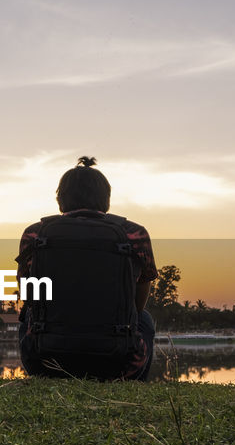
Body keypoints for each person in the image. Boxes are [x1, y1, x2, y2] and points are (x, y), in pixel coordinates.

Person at [16, 157, 158, 380]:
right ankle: (133, 384)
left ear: (60, 198)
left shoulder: (35, 234)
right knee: (145, 319)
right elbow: (138, 305)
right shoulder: (134, 234)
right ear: (106, 198)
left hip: (46, 363)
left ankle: (43, 377)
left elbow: (29, 297)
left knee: (27, 316)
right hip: (118, 365)